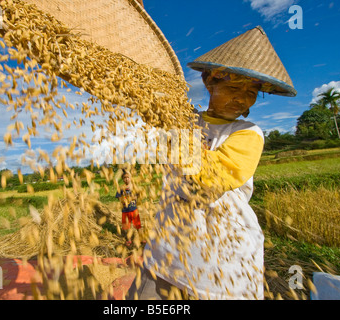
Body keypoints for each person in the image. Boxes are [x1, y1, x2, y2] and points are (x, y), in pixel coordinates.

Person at [127, 26, 297, 300]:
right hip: (168, 245)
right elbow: (162, 147)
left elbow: (210, 180)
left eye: (251, 92)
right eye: (232, 87)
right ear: (209, 83)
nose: (241, 98)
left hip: (222, 254)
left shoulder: (247, 133)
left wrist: (177, 125)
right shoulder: (183, 120)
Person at [116, 170, 143, 247]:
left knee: (138, 225)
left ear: (131, 178)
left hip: (134, 210)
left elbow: (137, 195)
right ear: (122, 179)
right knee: (127, 227)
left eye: (128, 177)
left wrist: (133, 198)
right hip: (125, 211)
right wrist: (123, 200)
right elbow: (119, 198)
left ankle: (141, 238)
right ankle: (129, 239)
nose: (126, 179)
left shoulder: (133, 187)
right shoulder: (121, 188)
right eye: (125, 178)